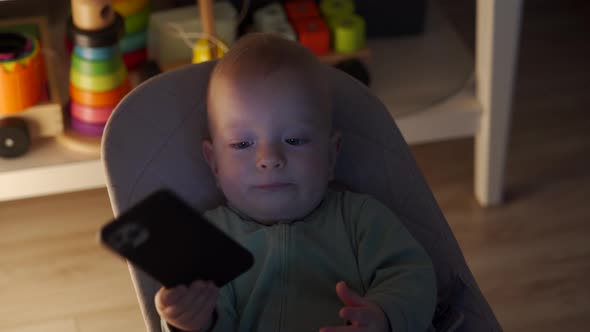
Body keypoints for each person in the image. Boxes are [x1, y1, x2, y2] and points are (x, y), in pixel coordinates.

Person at [155, 33, 437, 332]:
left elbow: (412, 276)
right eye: (241, 144)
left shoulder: (360, 219)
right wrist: (190, 320)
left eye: (294, 139)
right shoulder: (207, 240)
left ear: (330, 155)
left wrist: (382, 315)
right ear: (214, 163)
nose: (269, 158)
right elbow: (204, 310)